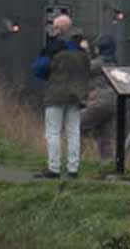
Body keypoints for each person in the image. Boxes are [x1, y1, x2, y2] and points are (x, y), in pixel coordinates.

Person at [31, 15, 89, 178]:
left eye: (55, 27)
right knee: (73, 132)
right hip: (77, 95)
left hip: (56, 94)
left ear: (60, 29)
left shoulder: (54, 48)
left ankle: (54, 168)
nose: (53, 30)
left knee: (53, 132)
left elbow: (38, 68)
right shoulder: (82, 51)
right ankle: (73, 169)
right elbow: (88, 70)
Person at [81, 35, 119, 163]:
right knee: (105, 136)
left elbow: (82, 68)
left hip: (98, 101)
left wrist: (84, 51)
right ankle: (108, 164)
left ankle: (73, 161)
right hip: (114, 102)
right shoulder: (114, 63)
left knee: (76, 127)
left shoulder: (98, 63)